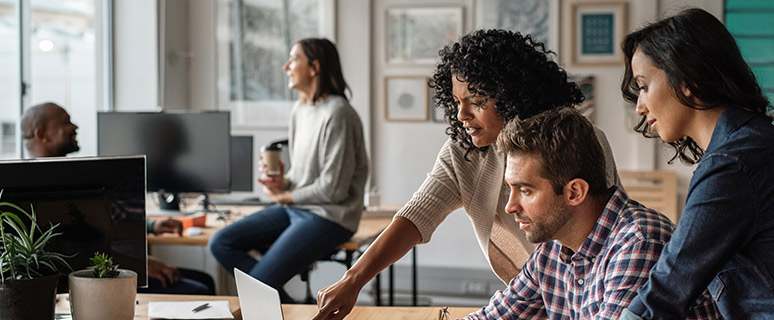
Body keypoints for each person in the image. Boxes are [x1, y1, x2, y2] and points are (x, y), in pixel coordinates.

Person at [314, 29, 621, 319]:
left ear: (514, 96)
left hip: (586, 296)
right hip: (527, 296)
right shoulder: (465, 152)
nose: (461, 116)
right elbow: (417, 214)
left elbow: (596, 239)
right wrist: (353, 279)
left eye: (475, 102)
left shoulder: (573, 143)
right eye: (456, 102)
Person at [465, 108, 720, 319]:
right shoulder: (553, 250)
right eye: (511, 189)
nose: (510, 206)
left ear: (575, 192)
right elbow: (493, 317)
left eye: (525, 190)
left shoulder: (640, 243)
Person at [617, 8, 774, 319]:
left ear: (686, 79)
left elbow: (666, 289)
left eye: (645, 86)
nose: (639, 107)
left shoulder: (733, 164)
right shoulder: (751, 143)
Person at [208, 38, 368, 303]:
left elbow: (333, 189)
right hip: (297, 209)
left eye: (294, 59)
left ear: (314, 67)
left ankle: (270, 301)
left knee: (258, 284)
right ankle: (287, 308)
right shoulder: (300, 110)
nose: (286, 66)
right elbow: (303, 178)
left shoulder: (339, 113)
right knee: (220, 243)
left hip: (330, 217)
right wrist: (283, 182)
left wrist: (286, 197)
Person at [21, 101, 215, 295]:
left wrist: (151, 227)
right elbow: (77, 253)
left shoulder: (67, 177)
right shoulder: (36, 190)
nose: (75, 127)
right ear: (42, 135)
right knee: (201, 289)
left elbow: (103, 223)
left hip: (112, 264)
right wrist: (138, 266)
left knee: (204, 279)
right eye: (65, 122)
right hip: (95, 279)